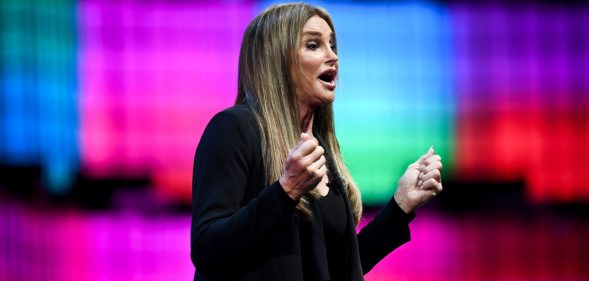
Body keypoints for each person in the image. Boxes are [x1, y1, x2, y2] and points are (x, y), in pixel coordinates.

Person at [190, 3, 443, 281]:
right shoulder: (234, 130)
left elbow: (339, 265)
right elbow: (207, 249)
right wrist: (285, 191)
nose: (333, 56)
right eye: (314, 45)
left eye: (333, 45)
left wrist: (400, 206)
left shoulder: (322, 147)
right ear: (278, 59)